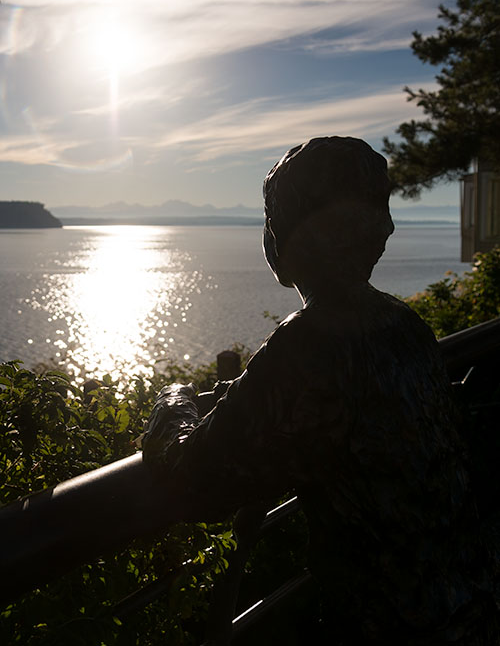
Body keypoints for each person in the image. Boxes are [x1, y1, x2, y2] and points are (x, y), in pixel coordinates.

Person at [143, 136, 498, 644]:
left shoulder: (310, 346)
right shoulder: (407, 327)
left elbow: (195, 482)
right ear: (381, 230)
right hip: (471, 606)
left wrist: (175, 402)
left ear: (280, 240)